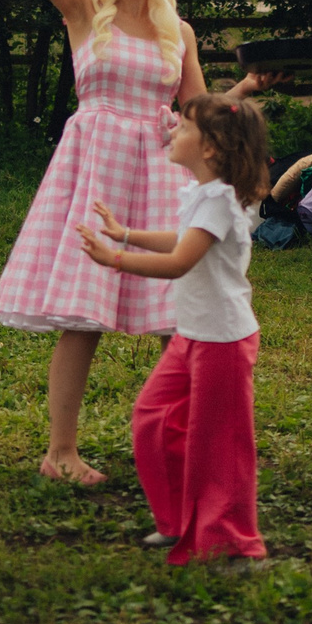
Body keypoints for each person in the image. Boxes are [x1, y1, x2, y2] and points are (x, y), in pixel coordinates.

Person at [0, 0, 274, 484]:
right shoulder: (86, 12)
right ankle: (60, 452)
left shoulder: (177, 32)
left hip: (160, 168)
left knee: (177, 309)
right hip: (98, 165)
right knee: (85, 313)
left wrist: (242, 92)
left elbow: (196, 107)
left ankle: (188, 440)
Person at [77, 92, 274, 566]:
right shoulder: (202, 195)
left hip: (222, 341)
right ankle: (179, 521)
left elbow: (181, 261)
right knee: (153, 417)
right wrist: (124, 232)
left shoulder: (221, 202)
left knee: (221, 445)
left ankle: (235, 545)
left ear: (210, 149)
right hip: (193, 335)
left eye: (184, 128)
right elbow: (182, 239)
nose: (173, 132)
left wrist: (116, 260)